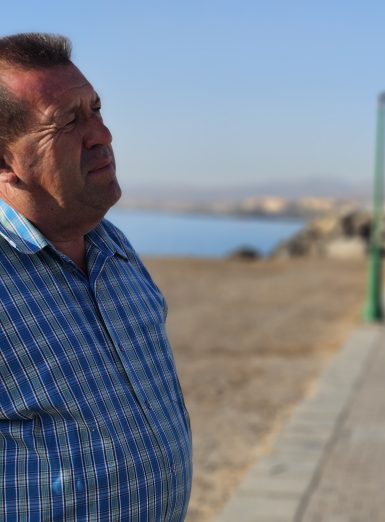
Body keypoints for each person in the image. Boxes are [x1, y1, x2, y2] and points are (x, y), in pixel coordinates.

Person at [0, 33, 192, 519]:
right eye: (67, 121)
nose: (101, 135)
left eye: (96, 110)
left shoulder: (113, 247)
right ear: (5, 161)